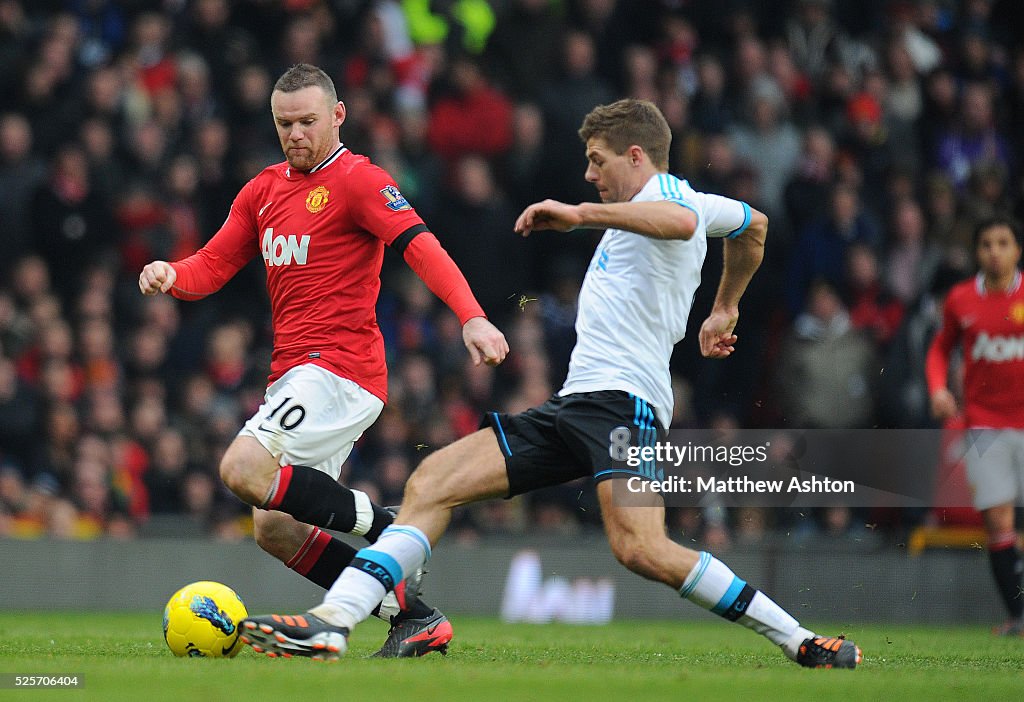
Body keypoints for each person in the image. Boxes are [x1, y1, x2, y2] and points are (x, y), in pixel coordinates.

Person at [238, 98, 862, 668]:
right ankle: (332, 623)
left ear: (636, 156)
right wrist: (725, 306)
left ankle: (798, 638)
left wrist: (580, 215)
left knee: (641, 549)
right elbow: (753, 227)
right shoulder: (681, 203)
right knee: (431, 482)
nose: (590, 175)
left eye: (598, 162)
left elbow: (679, 221)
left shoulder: (673, 198)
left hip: (627, 407)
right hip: (573, 405)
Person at [138, 63, 509, 657]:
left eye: (308, 121)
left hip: (340, 367)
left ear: (338, 115)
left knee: (240, 469)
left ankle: (388, 527)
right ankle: (414, 616)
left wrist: (471, 315)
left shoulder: (359, 180)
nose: (296, 134)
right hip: (295, 372)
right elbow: (211, 265)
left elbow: (420, 244)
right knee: (275, 528)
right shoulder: (262, 190)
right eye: (285, 124)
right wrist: (171, 273)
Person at [926, 217, 1024, 636]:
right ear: (977, 251)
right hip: (984, 425)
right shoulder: (961, 299)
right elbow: (939, 349)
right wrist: (937, 389)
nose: (994, 252)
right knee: (998, 523)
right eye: (986, 244)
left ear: (1017, 250)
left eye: (1003, 243)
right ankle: (1018, 617)